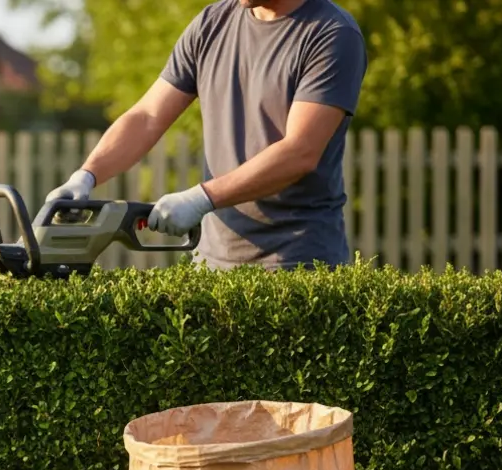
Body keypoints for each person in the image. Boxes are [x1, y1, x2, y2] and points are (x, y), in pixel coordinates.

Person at [49, 0, 368, 270]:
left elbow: (300, 152)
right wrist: (87, 175)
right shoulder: (212, 24)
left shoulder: (332, 34)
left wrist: (202, 197)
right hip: (211, 263)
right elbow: (147, 117)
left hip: (300, 264)